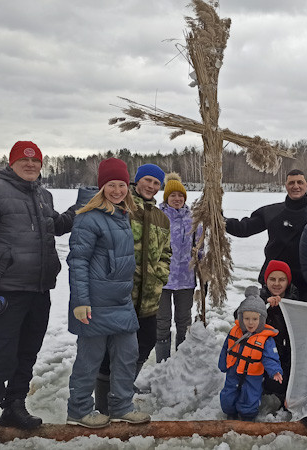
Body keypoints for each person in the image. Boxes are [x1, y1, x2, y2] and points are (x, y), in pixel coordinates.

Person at [0, 141, 76, 444]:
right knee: (3, 354)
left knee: (27, 353)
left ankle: (13, 406)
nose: (30, 165)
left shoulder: (42, 195)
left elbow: (57, 225)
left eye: (35, 161)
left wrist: (82, 208)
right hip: (4, 291)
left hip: (39, 289)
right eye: (24, 161)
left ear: (41, 165)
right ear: (11, 163)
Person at [66, 158, 150, 428]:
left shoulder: (121, 213)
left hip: (119, 299)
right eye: (111, 185)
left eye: (122, 184)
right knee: (89, 360)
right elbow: (78, 260)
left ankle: (122, 406)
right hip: (94, 302)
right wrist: (80, 301)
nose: (117, 190)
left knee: (128, 354)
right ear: (102, 187)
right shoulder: (89, 218)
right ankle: (78, 410)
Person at [94, 163, 171, 412]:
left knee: (145, 343)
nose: (151, 186)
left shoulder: (162, 217)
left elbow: (166, 253)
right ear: (136, 181)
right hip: (120, 295)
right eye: (147, 180)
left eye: (156, 183)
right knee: (110, 351)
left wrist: (160, 275)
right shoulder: (121, 207)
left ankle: (123, 390)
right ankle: (105, 405)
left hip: (149, 298)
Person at [225, 169, 307, 300]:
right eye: (291, 183)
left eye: (300, 182)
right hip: (274, 282)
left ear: (306, 185)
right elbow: (244, 228)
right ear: (286, 186)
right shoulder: (272, 212)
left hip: (305, 283)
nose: (296, 186)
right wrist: (220, 220)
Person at [219, 286, 284, 421]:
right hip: (234, 371)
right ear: (241, 317)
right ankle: (230, 412)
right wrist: (222, 364)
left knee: (250, 396)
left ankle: (247, 416)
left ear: (261, 320)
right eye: (247, 318)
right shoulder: (234, 331)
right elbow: (226, 348)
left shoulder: (266, 339)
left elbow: (270, 358)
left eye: (255, 319)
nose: (250, 322)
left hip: (253, 375)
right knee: (228, 394)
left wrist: (275, 371)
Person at [157, 172, 201, 362]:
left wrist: (200, 258)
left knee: (183, 321)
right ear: (166, 197)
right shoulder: (157, 216)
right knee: (161, 323)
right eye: (173, 195)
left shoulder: (193, 219)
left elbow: (200, 248)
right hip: (161, 280)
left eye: (180, 195)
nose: (177, 199)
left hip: (185, 280)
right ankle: (163, 363)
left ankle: (180, 363)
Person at [259, 260, 299, 407]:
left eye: (281, 280)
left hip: (288, 354)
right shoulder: (259, 297)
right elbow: (238, 315)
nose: (277, 283)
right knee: (271, 386)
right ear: (266, 280)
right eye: (272, 279)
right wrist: (262, 305)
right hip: (264, 354)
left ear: (288, 282)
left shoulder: (296, 300)